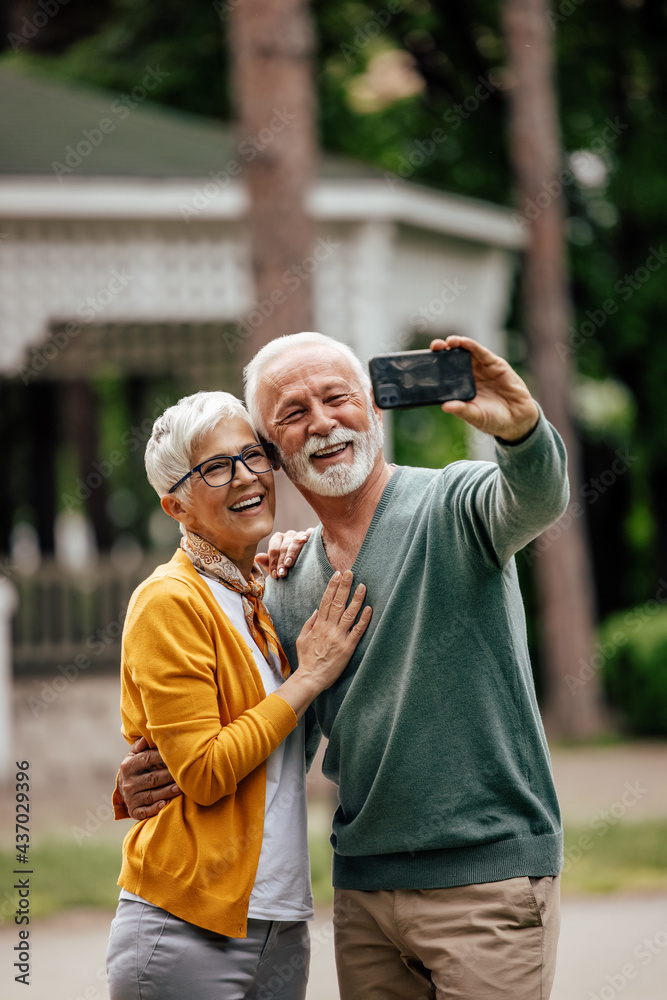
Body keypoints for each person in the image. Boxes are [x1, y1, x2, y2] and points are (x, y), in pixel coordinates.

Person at [116, 333, 569, 1000]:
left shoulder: (454, 504)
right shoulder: (283, 582)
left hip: (486, 884)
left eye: (337, 398)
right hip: (361, 898)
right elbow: (271, 742)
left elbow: (535, 499)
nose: (322, 422)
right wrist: (154, 774)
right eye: (293, 412)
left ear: (375, 411)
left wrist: (523, 432)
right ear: (273, 451)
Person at [106, 389, 372, 1000]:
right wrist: (309, 676)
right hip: (187, 927)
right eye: (216, 467)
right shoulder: (168, 601)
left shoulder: (259, 594)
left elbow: (256, 745)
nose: (247, 476)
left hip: (279, 920)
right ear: (177, 505)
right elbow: (203, 772)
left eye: (253, 455)